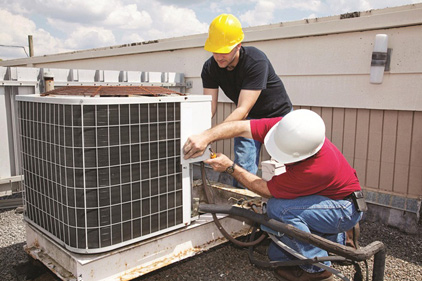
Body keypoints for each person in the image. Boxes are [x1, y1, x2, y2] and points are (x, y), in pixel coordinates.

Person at [183, 109, 365, 281]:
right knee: (276, 254)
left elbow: (265, 189)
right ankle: (340, 239)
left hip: (344, 208)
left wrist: (230, 167)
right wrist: (206, 136)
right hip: (330, 198)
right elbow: (239, 126)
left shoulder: (316, 168)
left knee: (279, 209)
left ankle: (318, 268)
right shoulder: (287, 129)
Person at [202, 13, 292, 187]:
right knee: (243, 166)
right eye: (216, 50)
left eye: (225, 50)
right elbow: (209, 107)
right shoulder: (210, 67)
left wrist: (210, 136)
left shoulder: (255, 60)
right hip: (249, 119)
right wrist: (200, 133)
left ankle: (285, 206)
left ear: (238, 46)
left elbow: (243, 109)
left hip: (279, 117)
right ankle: (243, 207)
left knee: (288, 165)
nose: (220, 56)